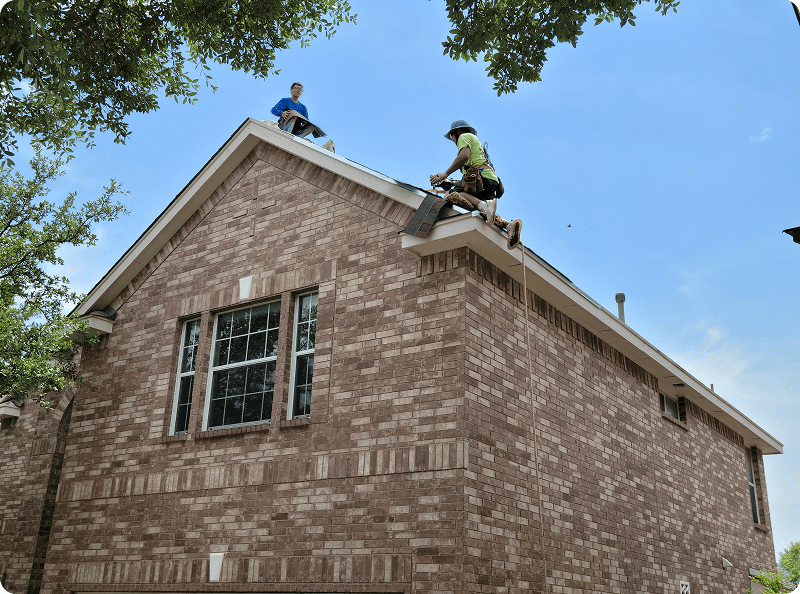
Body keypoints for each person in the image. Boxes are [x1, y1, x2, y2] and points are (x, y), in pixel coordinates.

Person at [430, 120, 522, 249]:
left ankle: (485, 206)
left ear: (457, 132)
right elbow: (470, 171)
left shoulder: (464, 137)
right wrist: (452, 182)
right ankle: (509, 225)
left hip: (481, 179)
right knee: (481, 211)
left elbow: (464, 156)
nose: (452, 139)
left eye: (452, 136)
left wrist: (445, 173)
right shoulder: (477, 146)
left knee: (453, 195)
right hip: (488, 181)